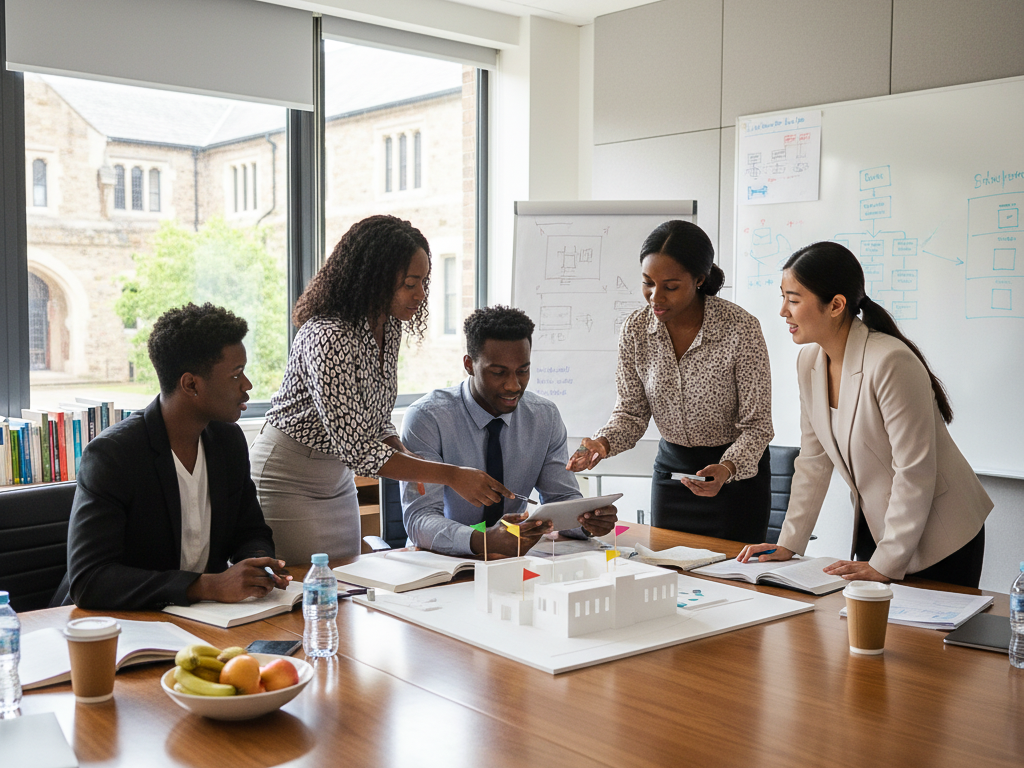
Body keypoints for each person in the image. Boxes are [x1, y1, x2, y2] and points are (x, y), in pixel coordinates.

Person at [250, 215, 512, 564]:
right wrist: (450, 475)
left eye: (424, 282)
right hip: (289, 478)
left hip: (336, 477)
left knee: (344, 586)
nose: (420, 295)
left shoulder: (386, 327)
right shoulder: (327, 335)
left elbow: (374, 417)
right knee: (307, 590)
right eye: (409, 283)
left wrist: (402, 451)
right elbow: (358, 450)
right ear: (374, 279)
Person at [738, 242, 992, 588]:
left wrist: (886, 563)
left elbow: (915, 470)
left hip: (943, 534)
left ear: (836, 305)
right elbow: (813, 461)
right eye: (783, 297)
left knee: (920, 641)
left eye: (794, 299)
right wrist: (789, 544)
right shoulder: (809, 362)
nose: (783, 311)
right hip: (881, 526)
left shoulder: (889, 361)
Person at [53, 303, 290, 611]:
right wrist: (207, 585)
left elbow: (250, 531)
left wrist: (257, 567)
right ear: (191, 384)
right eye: (236, 375)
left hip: (205, 617)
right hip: (117, 625)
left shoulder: (228, 441)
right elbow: (90, 580)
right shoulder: (113, 455)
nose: (247, 386)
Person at [566, 220, 774, 542]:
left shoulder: (740, 329)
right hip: (672, 478)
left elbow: (758, 425)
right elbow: (632, 413)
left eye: (671, 286)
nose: (655, 297)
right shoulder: (635, 330)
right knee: (669, 579)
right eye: (648, 283)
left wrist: (727, 468)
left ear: (699, 280)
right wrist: (602, 444)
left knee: (734, 581)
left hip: (733, 481)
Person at [400, 306, 617, 557]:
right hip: (443, 561)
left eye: (523, 371)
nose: (513, 385)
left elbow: (561, 498)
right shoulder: (428, 418)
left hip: (517, 558)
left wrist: (587, 521)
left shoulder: (544, 416)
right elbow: (420, 518)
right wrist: (482, 541)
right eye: (498, 372)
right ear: (469, 365)